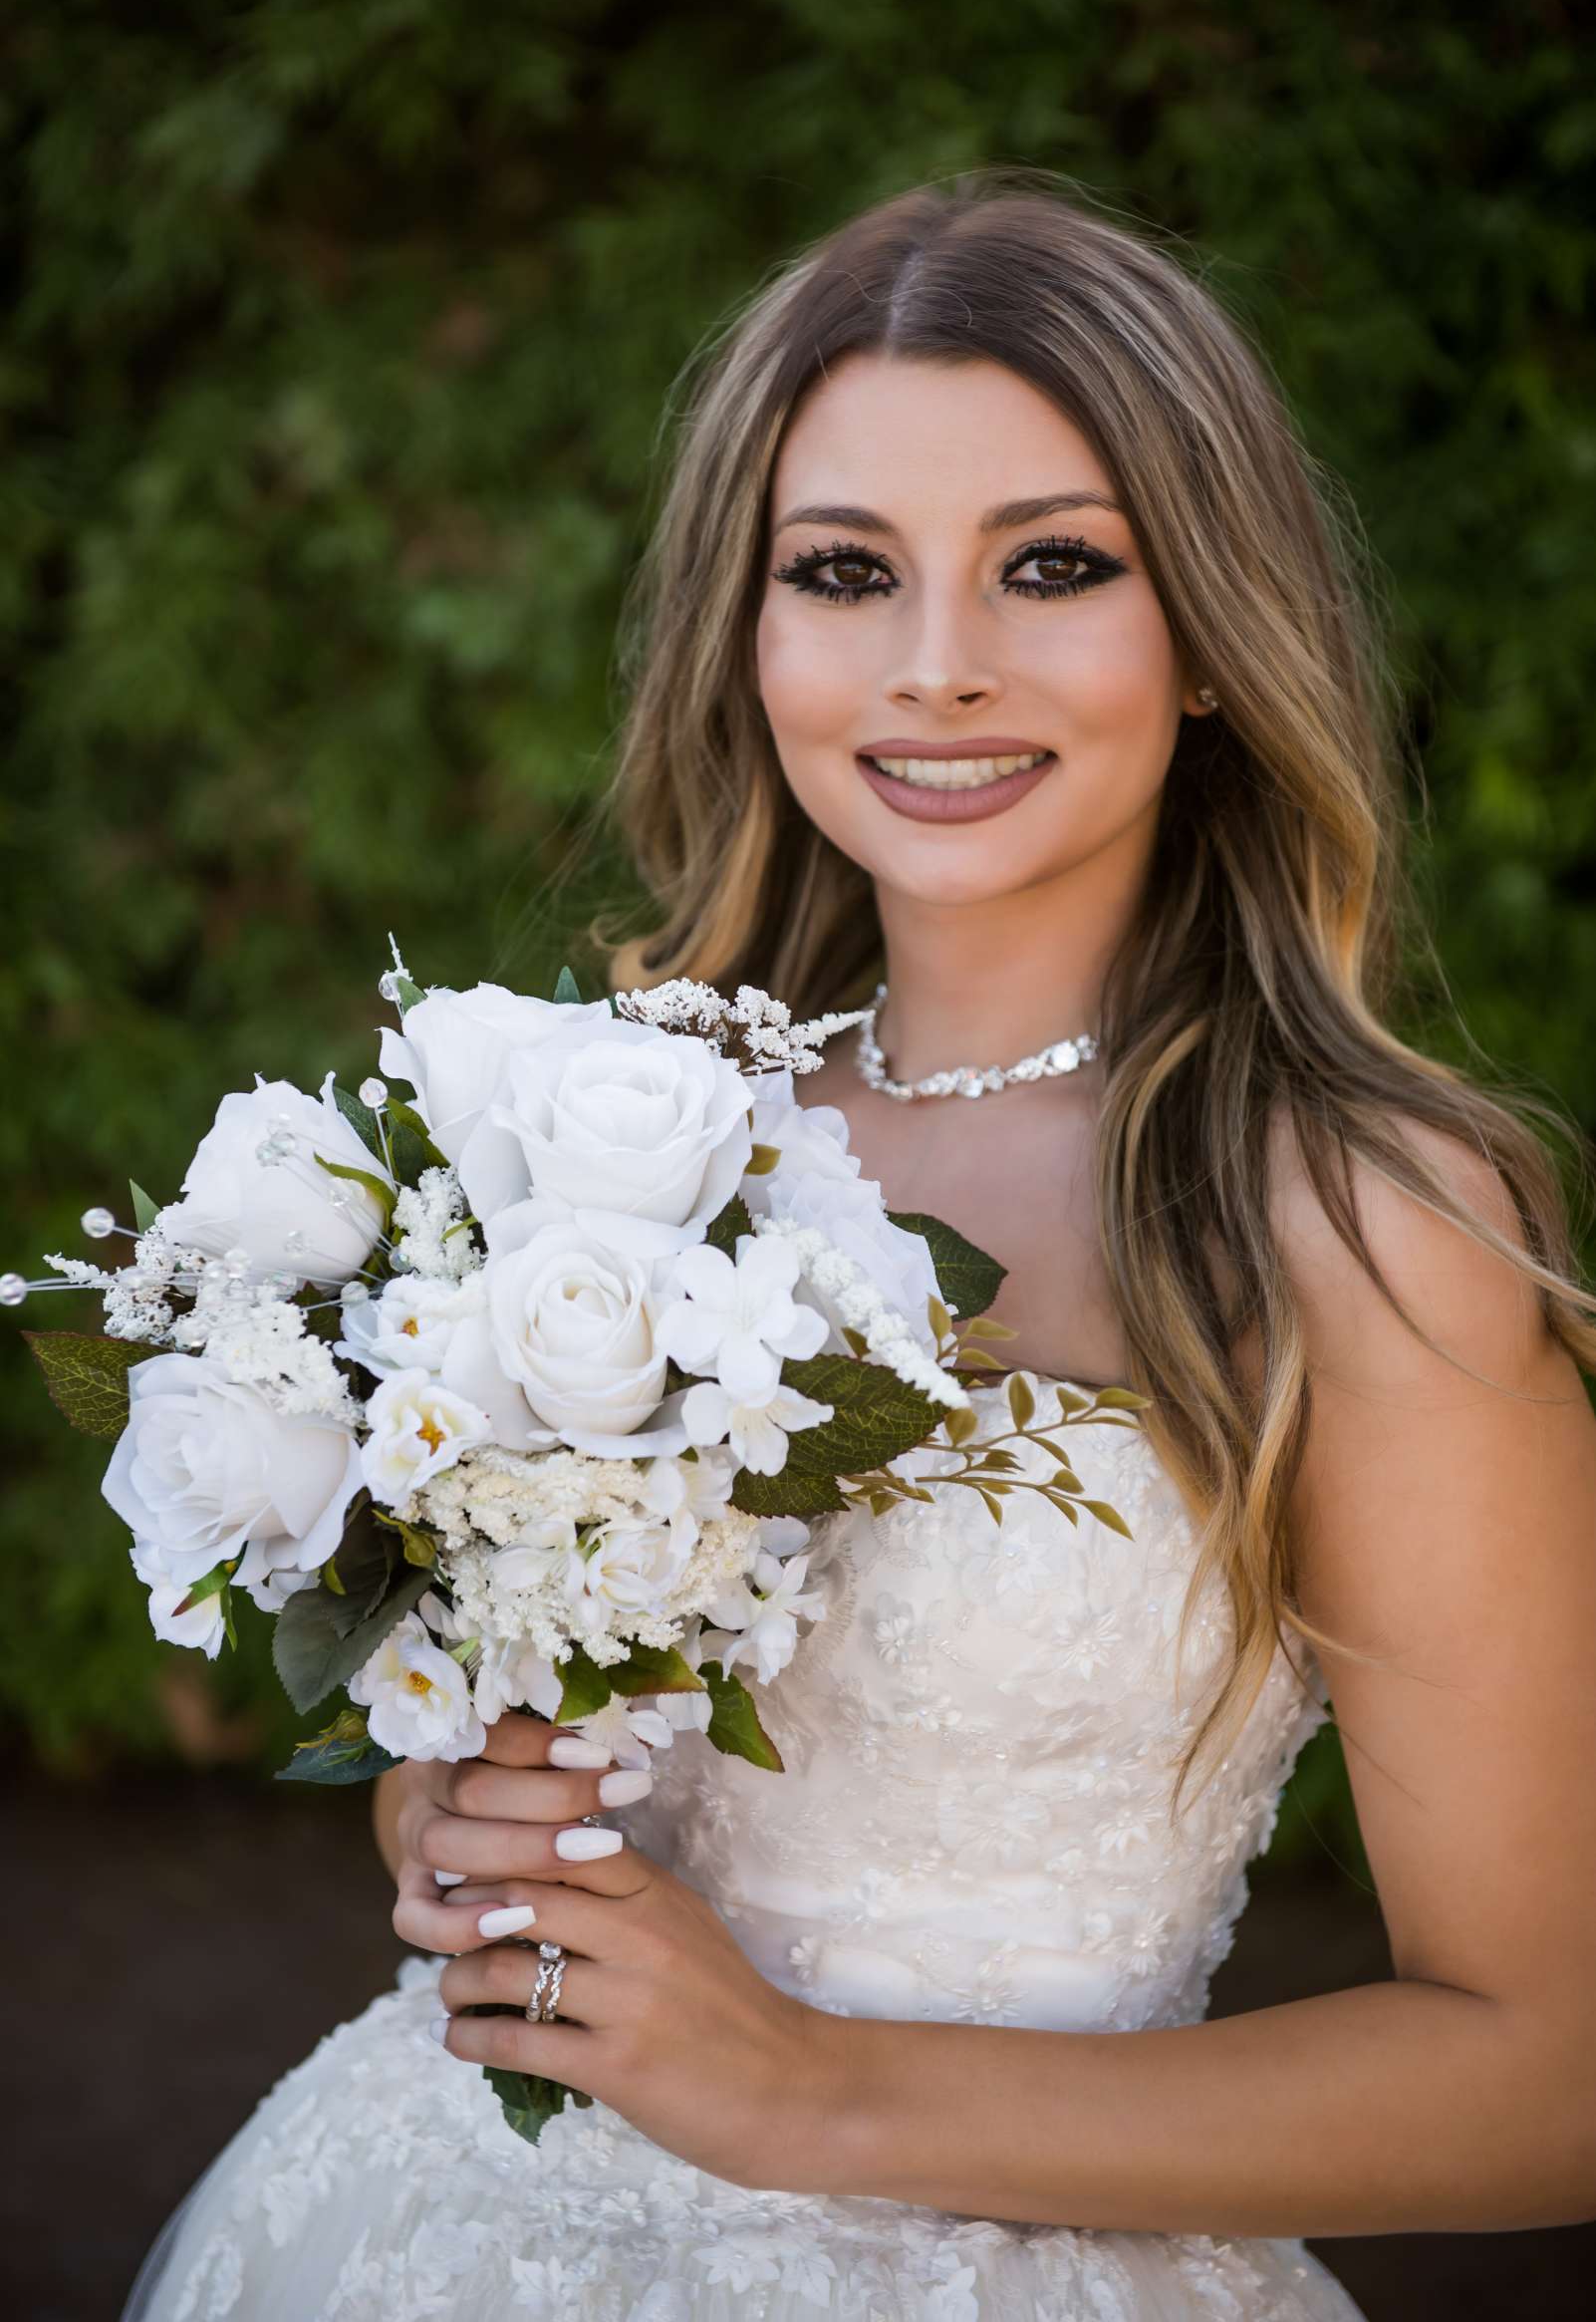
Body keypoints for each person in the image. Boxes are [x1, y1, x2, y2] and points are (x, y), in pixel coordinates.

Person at [120, 167, 1596, 2321]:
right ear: (753, 629)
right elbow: (505, 1718)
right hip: (423, 2228)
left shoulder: (1360, 1225)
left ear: (1209, 634)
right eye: (843, 571)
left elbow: (1545, 2072)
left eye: (1055, 568)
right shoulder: (605, 1135)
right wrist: (454, 1815)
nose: (937, 671)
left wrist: (819, 2096)